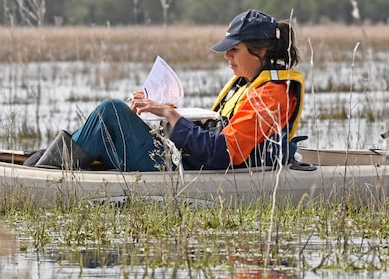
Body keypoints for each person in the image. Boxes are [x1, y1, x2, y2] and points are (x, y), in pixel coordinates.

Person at [28, 9, 305, 172]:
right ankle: (43, 165)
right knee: (112, 119)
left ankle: (43, 172)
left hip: (185, 170)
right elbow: (214, 132)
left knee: (110, 112)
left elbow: (222, 153)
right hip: (184, 160)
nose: (227, 56)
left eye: (235, 49)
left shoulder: (271, 95)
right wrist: (161, 112)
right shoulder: (248, 83)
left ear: (261, 51)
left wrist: (170, 116)